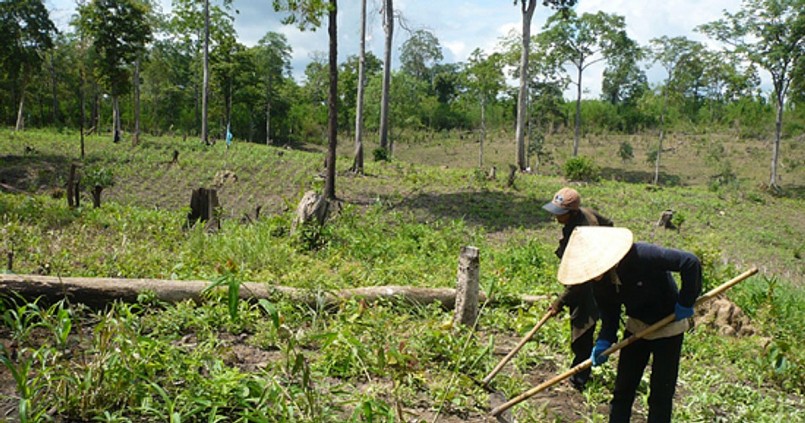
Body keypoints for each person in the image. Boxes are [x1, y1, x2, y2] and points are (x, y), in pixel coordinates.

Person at [557, 226, 702, 423]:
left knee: (661, 393)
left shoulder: (642, 255)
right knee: (623, 389)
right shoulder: (600, 282)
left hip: (669, 327)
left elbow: (689, 262)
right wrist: (604, 341)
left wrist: (685, 301)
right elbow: (610, 313)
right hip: (637, 327)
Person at [542, 187, 613, 391]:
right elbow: (610, 224)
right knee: (581, 323)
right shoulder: (581, 216)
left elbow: (579, 281)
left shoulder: (585, 231)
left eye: (559, 212)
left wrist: (560, 302)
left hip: (593, 280)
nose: (555, 216)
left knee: (582, 326)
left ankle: (579, 376)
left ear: (572, 212)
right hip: (586, 274)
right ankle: (579, 370)